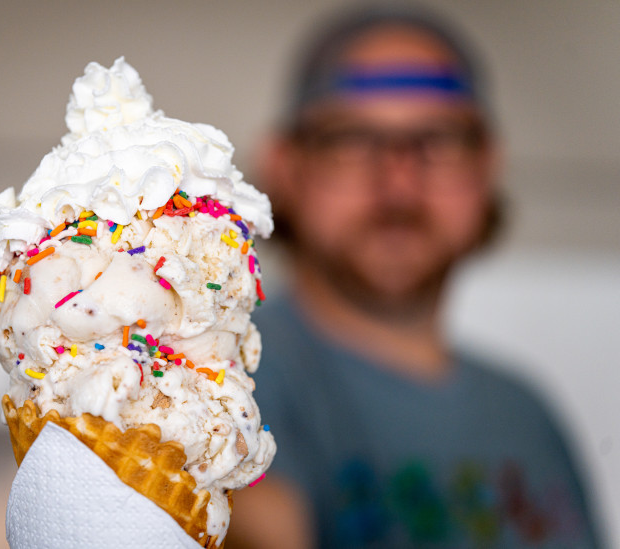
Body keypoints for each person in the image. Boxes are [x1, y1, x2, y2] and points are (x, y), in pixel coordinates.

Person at [227, 5, 603, 549]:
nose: (399, 185)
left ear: (487, 166)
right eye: (351, 141)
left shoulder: (527, 412)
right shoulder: (218, 380)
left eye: (439, 140)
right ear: (285, 166)